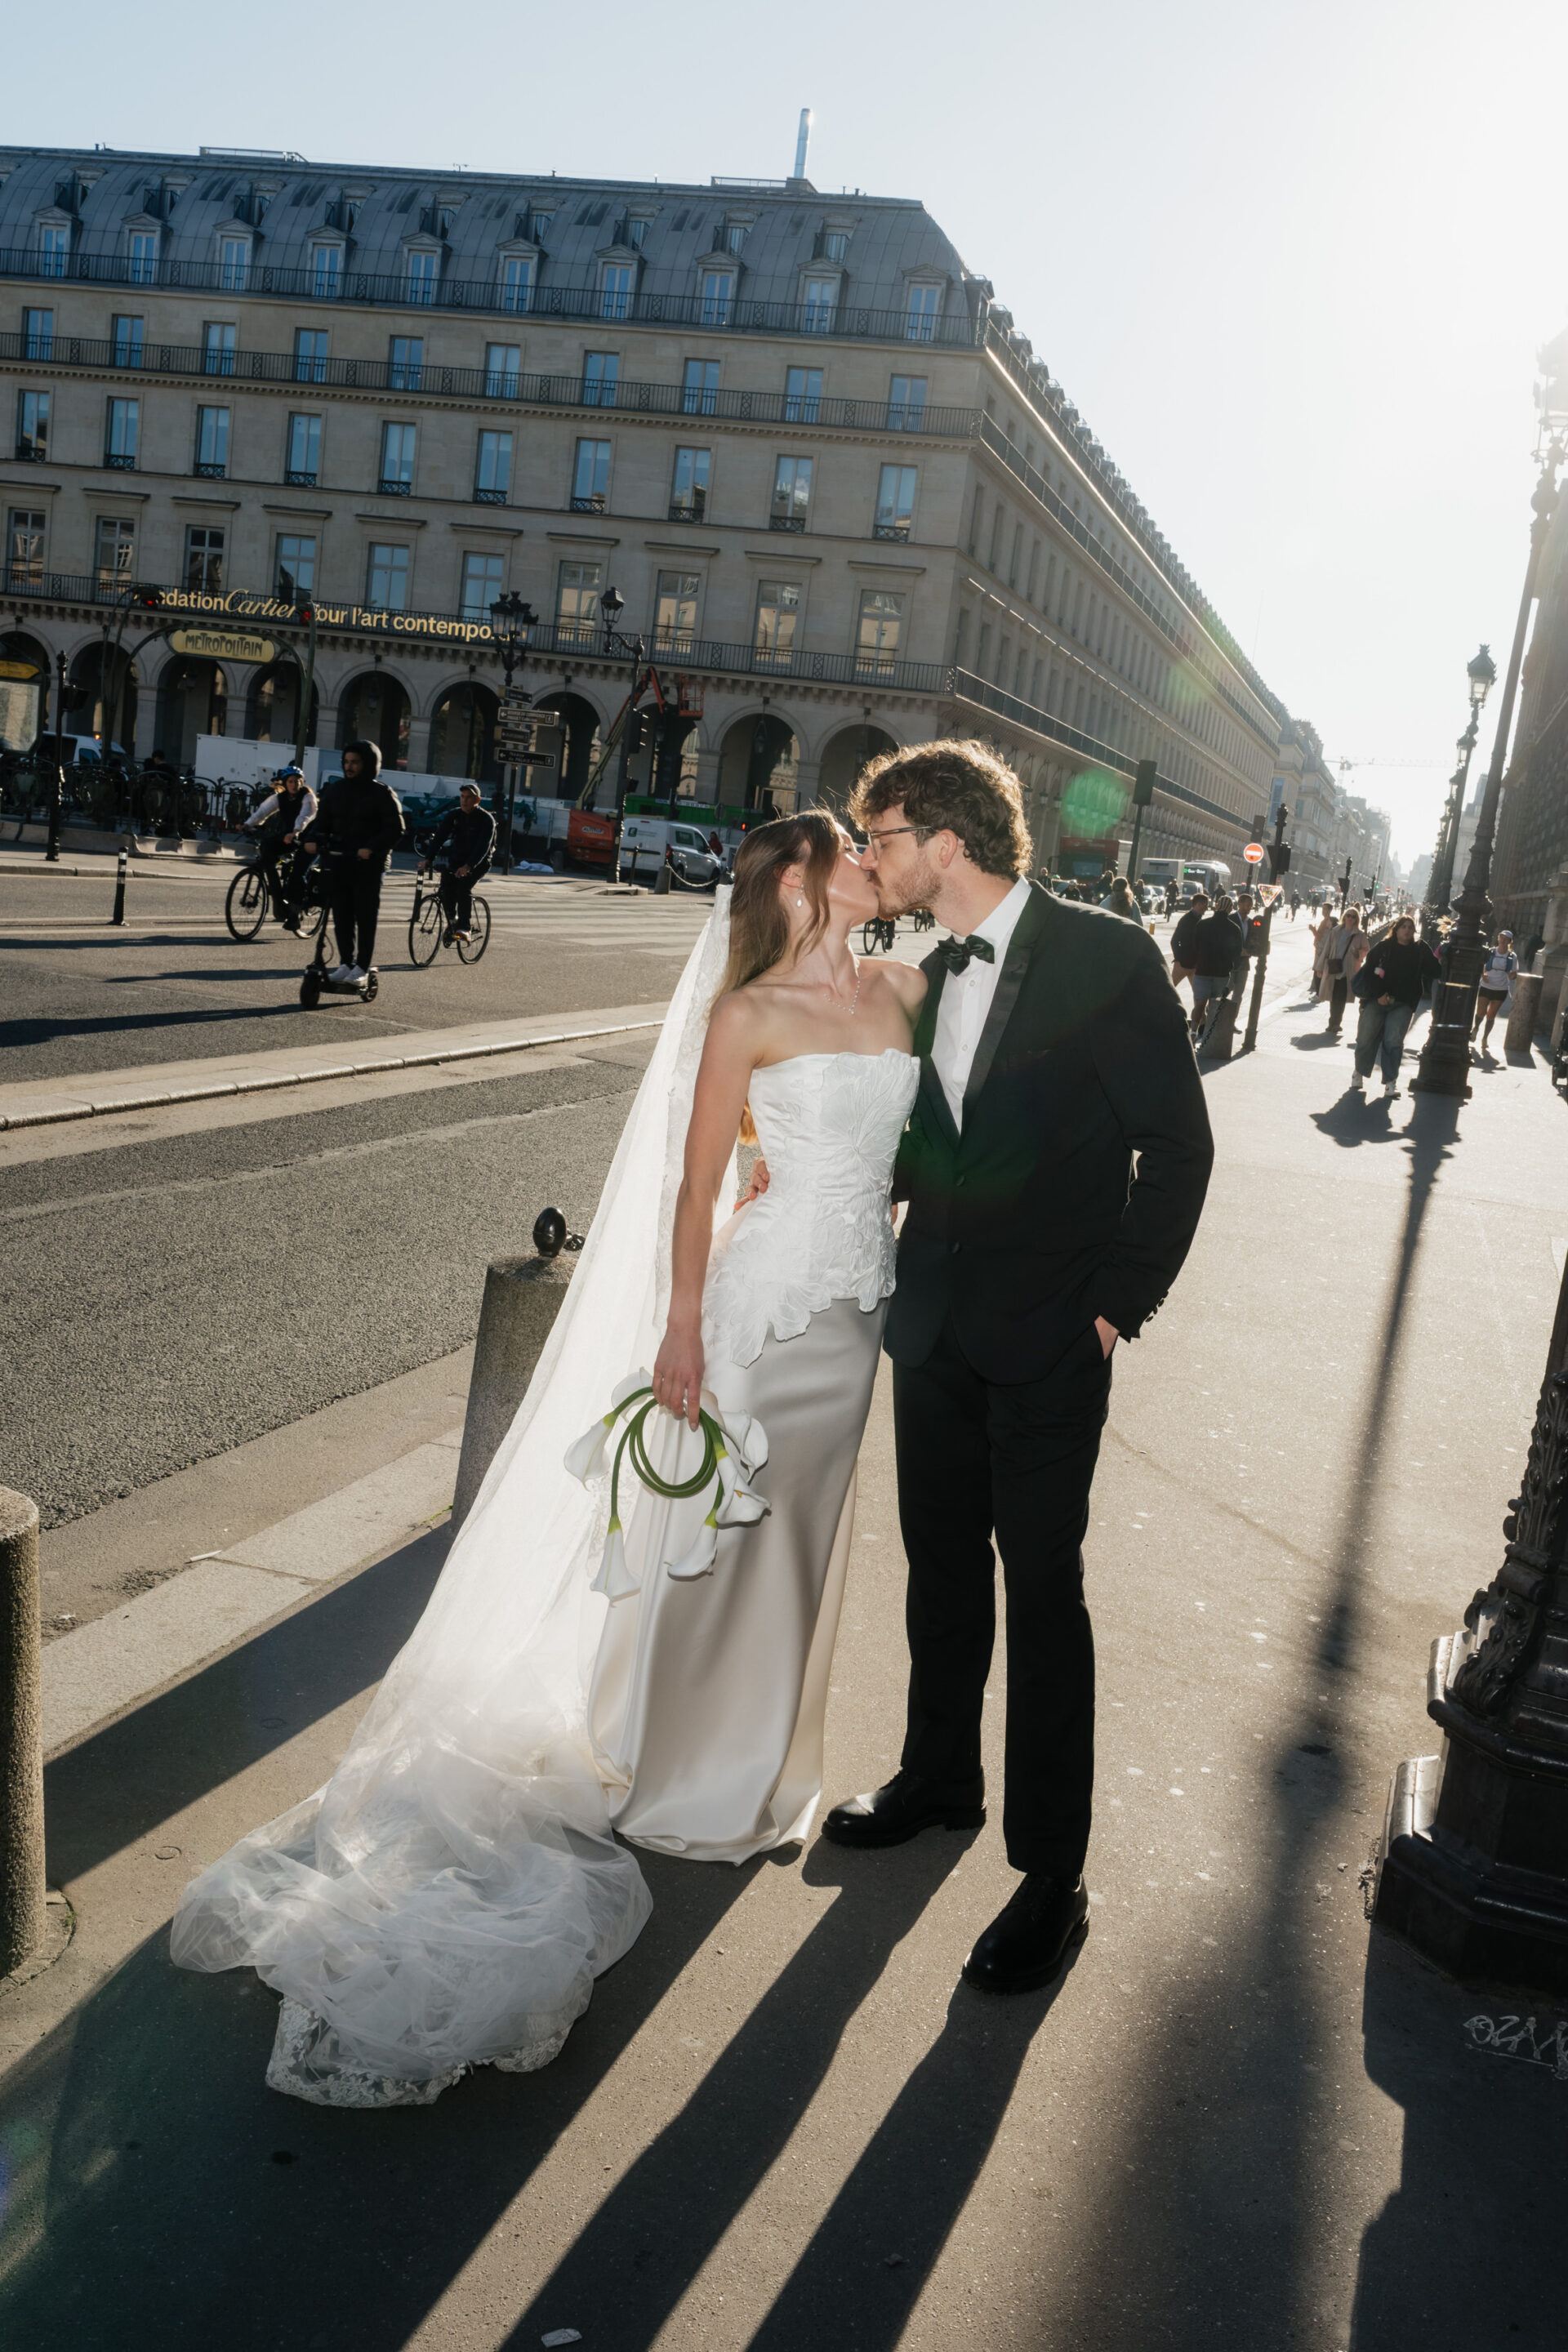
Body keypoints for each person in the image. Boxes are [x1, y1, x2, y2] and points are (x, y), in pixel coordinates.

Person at [170, 809, 925, 2103]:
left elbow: (900, 1154)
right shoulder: (744, 1014)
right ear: (799, 880)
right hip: (756, 1315)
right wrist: (683, 1333)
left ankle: (769, 1764)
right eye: (851, 848)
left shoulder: (907, 987)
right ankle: (677, 1762)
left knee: (798, 1540)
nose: (873, 858)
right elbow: (696, 1191)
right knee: (712, 1538)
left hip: (854, 1317)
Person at [817, 739, 1213, 1998]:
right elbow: (935, 1142)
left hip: (1051, 1342)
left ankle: (1054, 1877)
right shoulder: (925, 970)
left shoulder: (1105, 957)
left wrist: (1115, 1309)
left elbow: (1178, 1147)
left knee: (1044, 1597)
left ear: (945, 843)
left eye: (878, 837)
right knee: (940, 1568)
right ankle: (941, 1776)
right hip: (931, 1327)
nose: (867, 857)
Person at [301, 740, 404, 984]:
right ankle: (346, 962)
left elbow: (396, 829)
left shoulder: (382, 793)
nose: (349, 767)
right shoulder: (336, 791)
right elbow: (321, 821)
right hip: (338, 861)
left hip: (368, 864)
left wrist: (372, 848)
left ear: (368, 765)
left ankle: (363, 967)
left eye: (355, 762)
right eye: (346, 762)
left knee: (365, 916)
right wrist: (312, 839)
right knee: (342, 914)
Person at [1351, 915, 1439, 1098]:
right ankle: (1359, 1072)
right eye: (1403, 926)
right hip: (1377, 1000)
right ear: (1396, 929)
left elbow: (1436, 971)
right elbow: (1369, 973)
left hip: (1403, 1004)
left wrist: (1436, 952)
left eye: (1410, 927)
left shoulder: (1419, 951)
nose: (1407, 930)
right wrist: (1379, 995)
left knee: (1393, 1042)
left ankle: (1390, 1083)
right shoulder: (1383, 948)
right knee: (1366, 1038)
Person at [242, 765, 317, 929]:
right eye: (291, 781)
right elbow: (263, 812)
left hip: (310, 840)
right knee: (268, 848)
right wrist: (247, 824)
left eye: (298, 781)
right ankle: (278, 896)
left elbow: (305, 815)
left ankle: (295, 915)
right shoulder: (280, 798)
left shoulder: (308, 797)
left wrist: (296, 831)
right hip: (291, 837)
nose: (294, 784)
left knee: (298, 873)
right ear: (285, 783)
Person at [421, 782, 495, 945]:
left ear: (477, 800)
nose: (464, 801)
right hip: (457, 859)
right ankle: (452, 921)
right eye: (462, 797)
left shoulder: (486, 820)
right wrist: (428, 859)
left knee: (463, 886)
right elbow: (439, 838)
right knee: (447, 886)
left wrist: (469, 866)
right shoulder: (453, 816)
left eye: (469, 798)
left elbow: (483, 847)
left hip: (479, 862)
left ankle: (465, 927)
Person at [1187, 892, 1243, 1041]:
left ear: (1217, 906)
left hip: (1202, 970)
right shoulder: (1234, 929)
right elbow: (1236, 952)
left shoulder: (1203, 924)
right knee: (1214, 1005)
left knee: (1199, 1004)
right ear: (1230, 909)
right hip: (1222, 973)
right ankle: (1208, 1036)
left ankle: (1193, 1031)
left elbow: (1195, 946)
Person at [1169, 888, 1209, 1027]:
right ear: (1197, 904)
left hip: (1195, 965)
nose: (1206, 907)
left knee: (1199, 995)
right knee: (1169, 989)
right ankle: (1161, 1012)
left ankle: (1202, 1023)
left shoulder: (1200, 920)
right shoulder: (1187, 919)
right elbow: (1175, 940)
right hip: (1183, 963)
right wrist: (1179, 958)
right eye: (1204, 904)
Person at [1320, 905, 1362, 1035]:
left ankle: (1337, 1023)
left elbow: (1366, 949)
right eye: (1348, 915)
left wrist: (1358, 954)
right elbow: (1326, 949)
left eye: (1353, 916)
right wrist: (1320, 967)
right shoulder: (1335, 931)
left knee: (1341, 998)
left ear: (1356, 919)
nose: (1350, 918)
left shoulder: (1359, 935)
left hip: (1347, 970)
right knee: (1333, 997)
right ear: (1345, 917)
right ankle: (1332, 1022)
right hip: (1333, 967)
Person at [1472, 930, 1518, 1049]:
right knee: (1481, 1012)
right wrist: (1483, 975)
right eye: (1501, 938)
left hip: (1501, 988)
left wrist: (1513, 975)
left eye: (1506, 939)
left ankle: (1485, 1038)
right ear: (1498, 939)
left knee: (1491, 1014)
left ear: (1509, 941)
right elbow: (1481, 965)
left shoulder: (1512, 957)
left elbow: (1513, 974)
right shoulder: (1490, 952)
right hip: (1486, 985)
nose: (1503, 940)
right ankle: (1476, 1028)